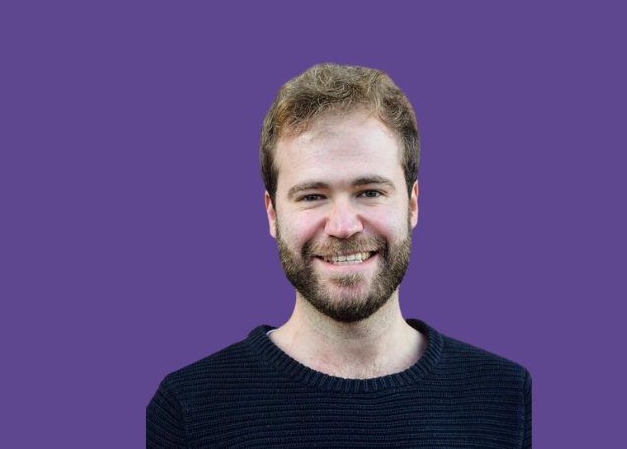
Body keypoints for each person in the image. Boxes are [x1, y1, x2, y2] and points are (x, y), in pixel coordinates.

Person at [146, 64, 532, 448]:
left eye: (370, 192)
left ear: (413, 204)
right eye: (312, 196)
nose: (344, 226)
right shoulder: (188, 411)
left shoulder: (508, 399)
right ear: (272, 214)